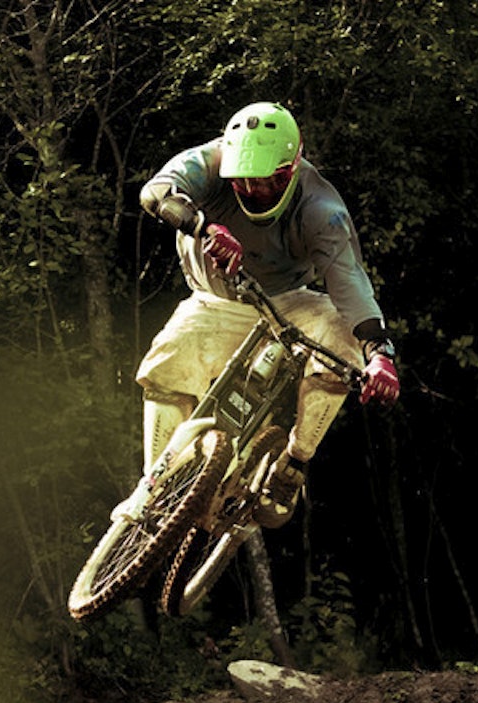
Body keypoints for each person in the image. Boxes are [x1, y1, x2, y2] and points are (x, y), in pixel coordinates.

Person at [135, 101, 399, 528]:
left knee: (342, 343)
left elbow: (348, 281)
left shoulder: (321, 208)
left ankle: (295, 462)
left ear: (291, 168)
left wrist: (379, 355)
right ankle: (155, 489)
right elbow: (155, 191)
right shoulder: (210, 161)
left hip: (287, 300)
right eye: (244, 180)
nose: (255, 190)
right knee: (165, 369)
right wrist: (202, 225)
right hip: (215, 298)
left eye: (268, 181)